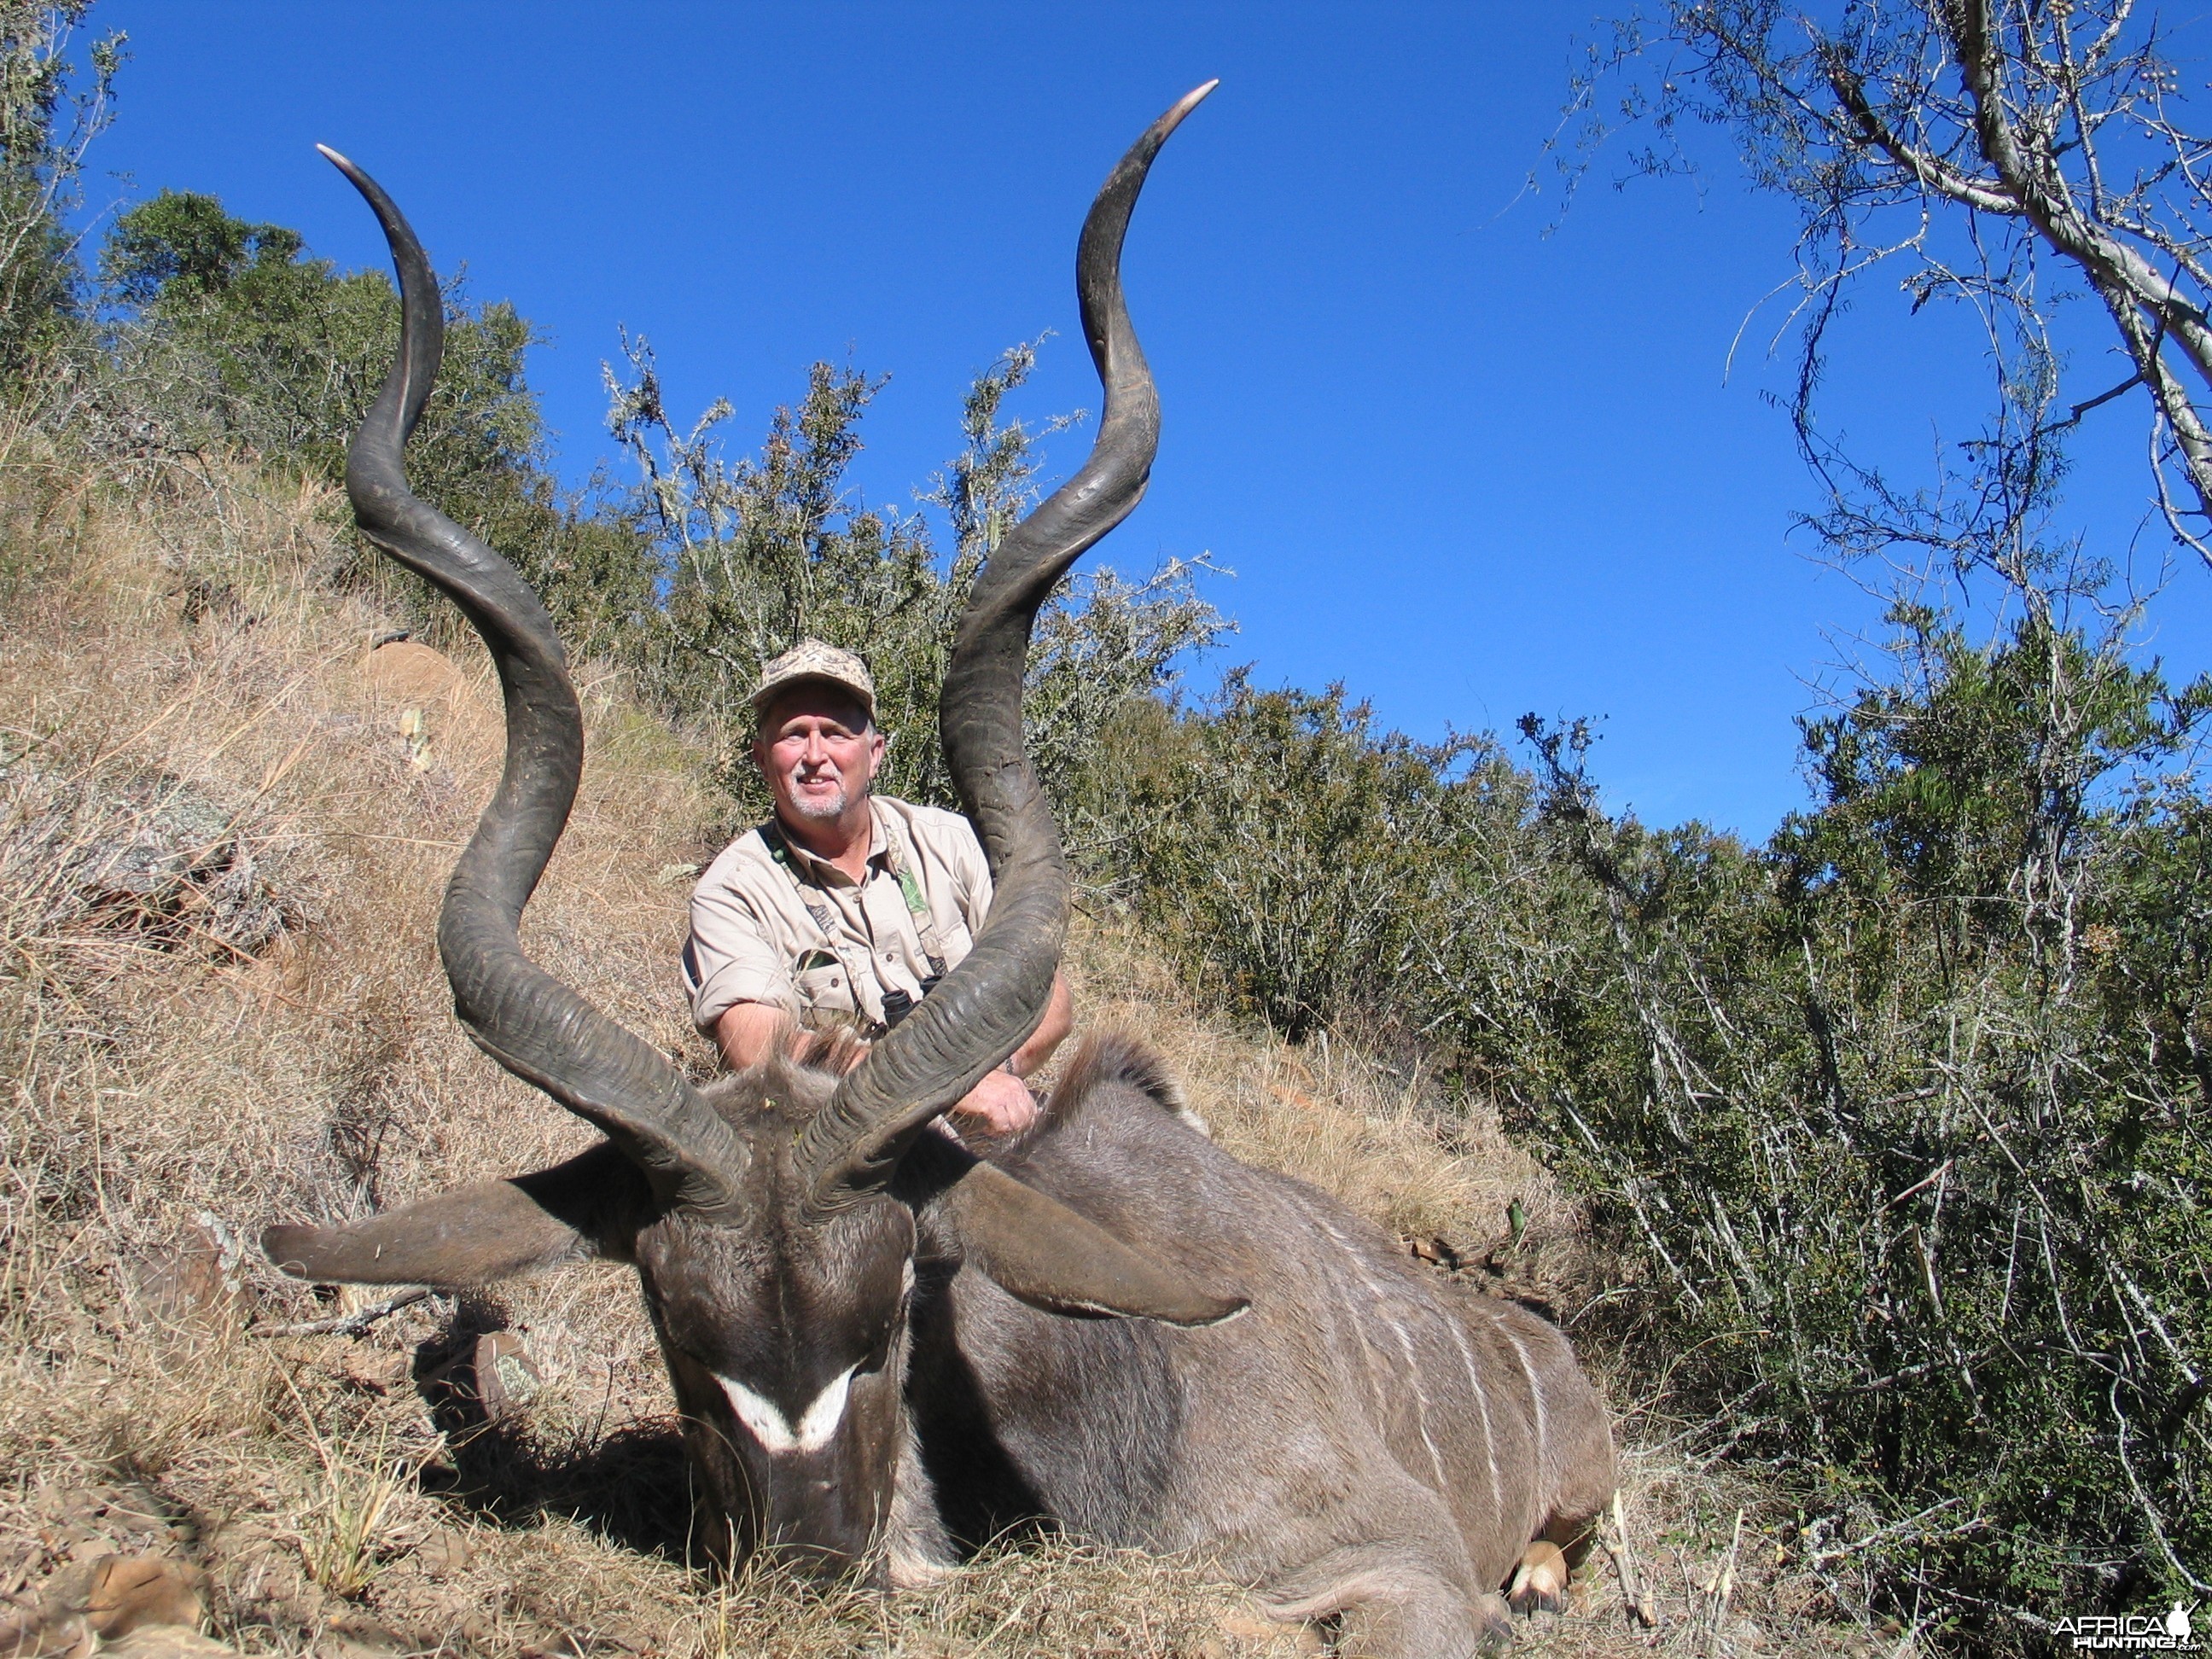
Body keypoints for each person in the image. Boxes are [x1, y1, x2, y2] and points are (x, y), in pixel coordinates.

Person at [683, 639, 1070, 1135]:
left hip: (990, 1119)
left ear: (875, 752)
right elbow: (758, 1048)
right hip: (837, 1142)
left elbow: (1047, 993)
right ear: (762, 758)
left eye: (836, 733)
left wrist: (999, 1074)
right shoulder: (732, 890)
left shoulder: (950, 844)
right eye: (793, 735)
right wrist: (944, 1087)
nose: (815, 756)